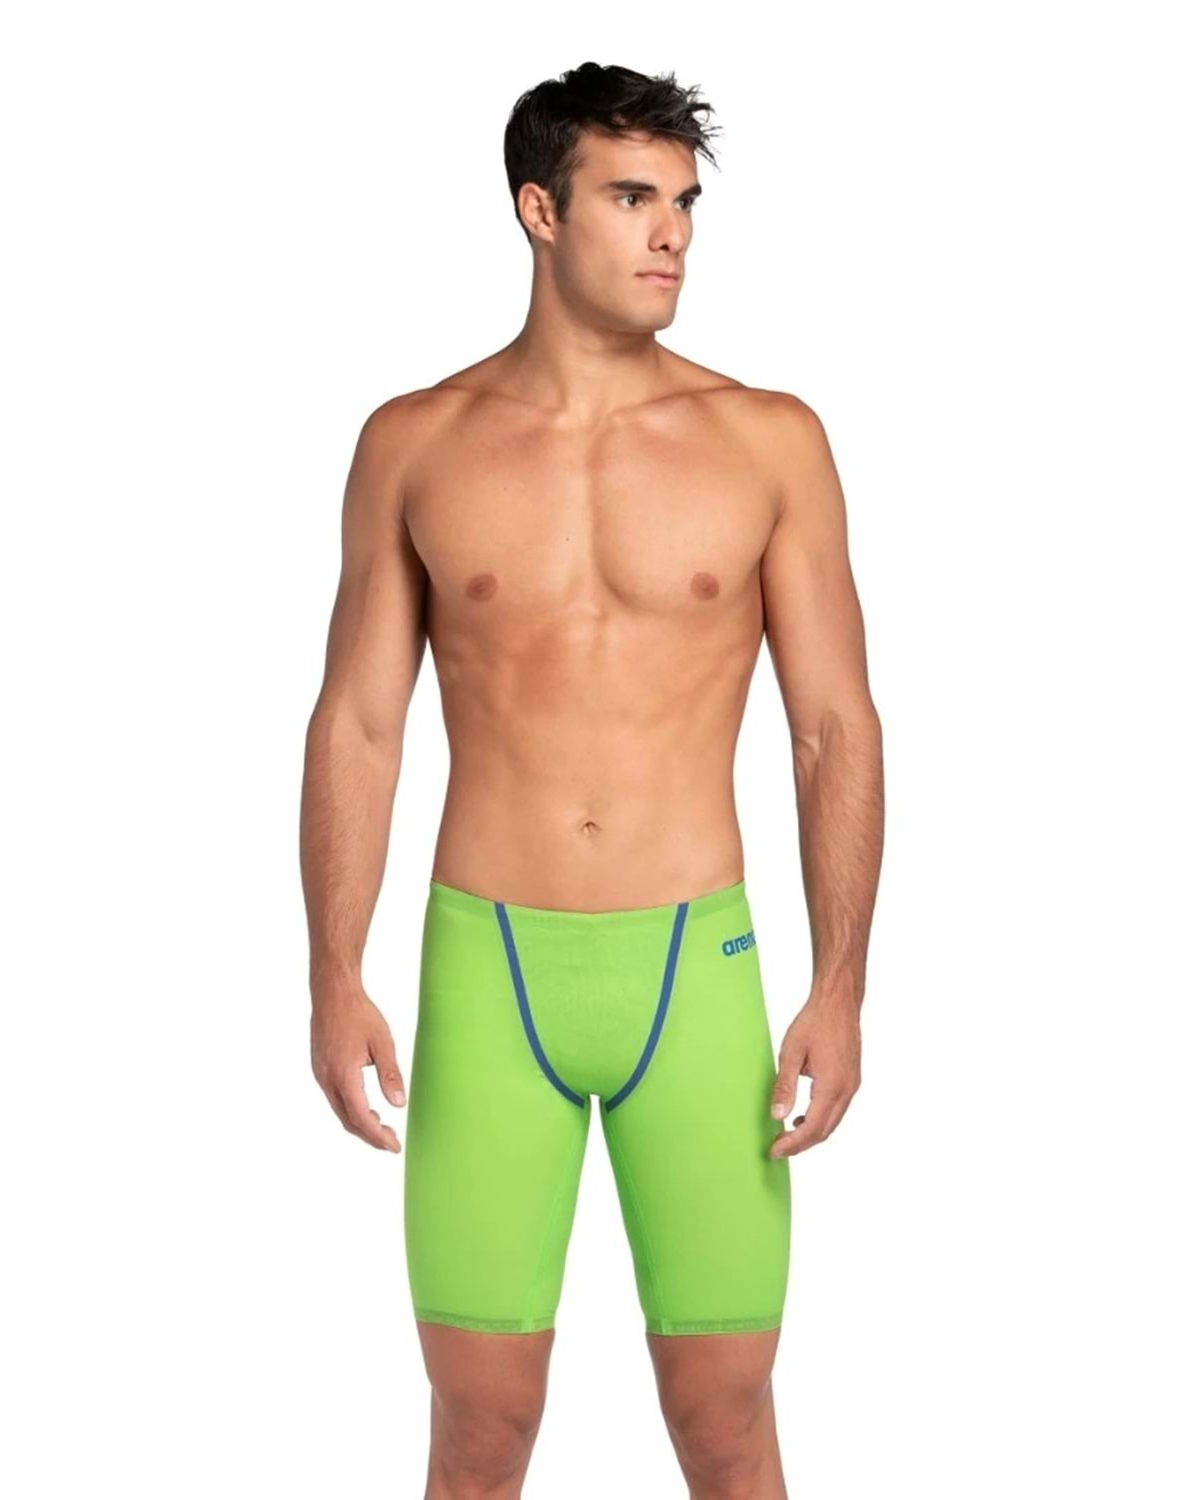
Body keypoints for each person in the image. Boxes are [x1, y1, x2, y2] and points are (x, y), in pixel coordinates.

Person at [299, 60, 884, 1500]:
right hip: (488, 962)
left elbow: (833, 726)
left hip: (698, 961)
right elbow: (359, 722)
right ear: (539, 210)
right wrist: (333, 972)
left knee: (726, 1419)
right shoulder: (415, 443)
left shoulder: (769, 440)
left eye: (684, 202)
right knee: (481, 1424)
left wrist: (841, 985)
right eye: (632, 198)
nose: (671, 231)